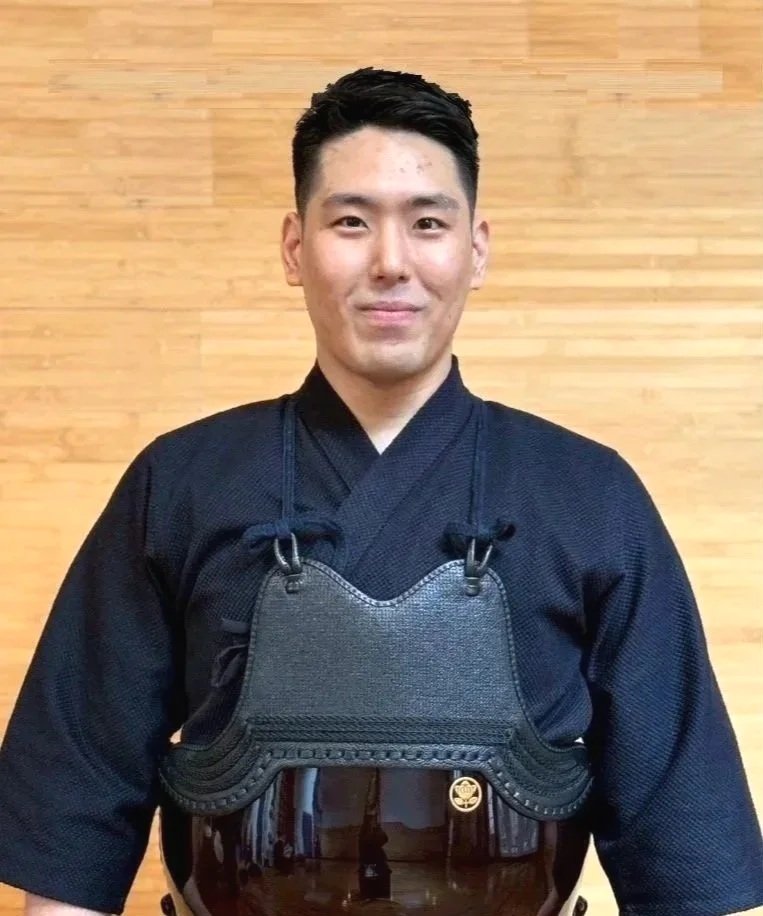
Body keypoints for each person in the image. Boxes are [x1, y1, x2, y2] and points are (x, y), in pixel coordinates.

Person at [0, 66, 761, 916]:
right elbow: (75, 808)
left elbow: (684, 839)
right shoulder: (180, 482)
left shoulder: (587, 496)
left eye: (427, 223)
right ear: (295, 248)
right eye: (351, 222)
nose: (391, 262)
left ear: (476, 249)